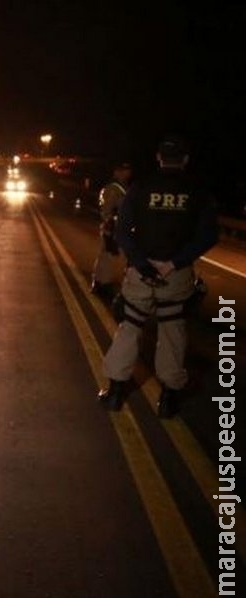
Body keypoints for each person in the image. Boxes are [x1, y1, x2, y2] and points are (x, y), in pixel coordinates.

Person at [98, 136, 219, 418]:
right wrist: (175, 263)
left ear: (158, 158)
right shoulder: (197, 192)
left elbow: (122, 231)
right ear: (185, 159)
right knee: (172, 331)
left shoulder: (140, 188)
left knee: (130, 326)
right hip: (176, 274)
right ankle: (168, 399)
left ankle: (115, 393)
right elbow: (208, 235)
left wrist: (143, 264)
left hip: (142, 273)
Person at [90, 161, 133, 298]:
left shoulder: (123, 187)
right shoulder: (113, 189)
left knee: (110, 258)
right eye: (123, 171)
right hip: (112, 228)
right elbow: (107, 210)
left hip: (119, 228)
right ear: (116, 172)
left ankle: (101, 283)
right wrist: (110, 226)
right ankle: (102, 284)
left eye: (127, 170)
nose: (127, 173)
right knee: (107, 258)